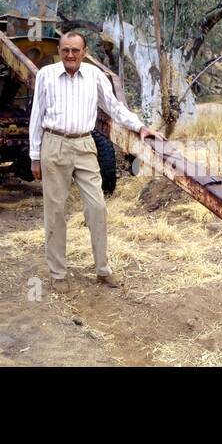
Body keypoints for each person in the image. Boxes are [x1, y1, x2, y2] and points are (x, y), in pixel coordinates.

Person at [28, 31, 163, 292]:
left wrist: (140, 126)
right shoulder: (46, 76)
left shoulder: (94, 76)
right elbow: (37, 116)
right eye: (65, 50)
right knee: (55, 211)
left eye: (75, 50)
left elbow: (114, 108)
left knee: (97, 206)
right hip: (54, 145)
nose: (70, 55)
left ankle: (103, 270)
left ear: (84, 52)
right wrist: (35, 156)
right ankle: (58, 274)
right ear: (59, 50)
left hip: (85, 144)